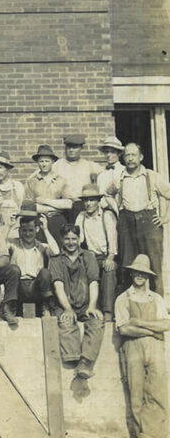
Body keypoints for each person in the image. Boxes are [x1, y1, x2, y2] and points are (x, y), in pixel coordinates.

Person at [115, 255, 169, 438]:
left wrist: (139, 322)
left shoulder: (156, 298)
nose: (139, 275)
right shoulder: (123, 299)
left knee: (157, 390)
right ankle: (141, 437)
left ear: (148, 276)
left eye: (143, 273)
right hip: (132, 346)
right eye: (136, 272)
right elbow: (124, 329)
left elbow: (166, 324)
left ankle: (154, 437)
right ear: (131, 273)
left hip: (155, 346)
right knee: (135, 392)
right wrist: (149, 331)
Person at [108, 143, 170, 297]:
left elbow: (168, 194)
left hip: (149, 222)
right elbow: (108, 195)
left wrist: (165, 218)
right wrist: (117, 211)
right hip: (126, 223)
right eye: (127, 155)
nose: (130, 158)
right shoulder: (119, 178)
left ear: (141, 157)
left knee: (154, 264)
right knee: (128, 264)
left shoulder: (152, 176)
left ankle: (157, 305)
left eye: (133, 155)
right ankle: (130, 304)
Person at [48, 224, 104, 379]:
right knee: (66, 323)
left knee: (97, 321)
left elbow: (94, 282)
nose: (71, 242)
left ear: (79, 239)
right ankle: (73, 360)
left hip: (85, 304)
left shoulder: (88, 256)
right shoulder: (56, 260)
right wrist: (67, 309)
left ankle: (85, 363)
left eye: (74, 238)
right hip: (64, 304)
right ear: (62, 240)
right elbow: (58, 285)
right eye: (67, 239)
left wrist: (92, 306)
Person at [0, 203, 60, 320]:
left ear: (36, 230)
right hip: (18, 287)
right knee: (14, 269)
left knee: (45, 273)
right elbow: (0, 243)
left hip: (36, 287)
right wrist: (10, 225)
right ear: (19, 231)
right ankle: (9, 308)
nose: (28, 234)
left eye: (31, 230)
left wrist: (45, 229)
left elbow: (56, 251)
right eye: (24, 231)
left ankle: (47, 306)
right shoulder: (13, 244)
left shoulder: (41, 246)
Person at [75, 184, 118, 321]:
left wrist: (110, 257)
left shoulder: (106, 215)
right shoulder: (81, 217)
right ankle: (84, 310)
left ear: (98, 201)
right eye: (86, 201)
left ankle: (108, 311)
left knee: (109, 271)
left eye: (92, 200)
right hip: (90, 256)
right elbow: (78, 239)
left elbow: (113, 239)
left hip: (107, 255)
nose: (88, 204)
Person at [24, 144, 72, 246]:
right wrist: (57, 207)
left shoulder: (61, 180)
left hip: (58, 220)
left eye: (47, 161)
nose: (44, 164)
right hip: (39, 221)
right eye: (41, 161)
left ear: (53, 162)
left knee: (59, 250)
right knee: (40, 250)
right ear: (37, 162)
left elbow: (68, 204)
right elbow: (29, 206)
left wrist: (43, 201)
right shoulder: (31, 182)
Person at [54, 134, 101, 221]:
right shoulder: (57, 165)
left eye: (74, 147)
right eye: (68, 147)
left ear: (81, 148)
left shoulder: (89, 165)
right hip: (64, 207)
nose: (71, 150)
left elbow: (105, 176)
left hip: (83, 206)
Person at [0, 151, 24, 231]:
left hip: (14, 229)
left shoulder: (17, 186)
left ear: (7, 169)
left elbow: (22, 209)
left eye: (0, 168)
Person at [96, 136, 125, 201]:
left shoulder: (124, 172)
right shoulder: (101, 176)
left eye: (112, 152)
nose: (108, 155)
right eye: (106, 152)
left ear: (119, 153)